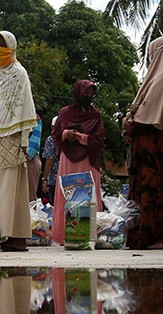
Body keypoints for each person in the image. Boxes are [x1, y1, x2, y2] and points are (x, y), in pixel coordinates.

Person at [122, 36, 163, 250]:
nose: (150, 58)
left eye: (152, 53)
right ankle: (153, 235)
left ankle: (152, 235)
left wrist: (130, 120)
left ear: (160, 53)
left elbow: (150, 114)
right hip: (154, 142)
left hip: (157, 142)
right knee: (153, 190)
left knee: (152, 190)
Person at [0, 32, 37, 252]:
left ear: (12, 48)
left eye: (2, 46)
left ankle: (13, 235)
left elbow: (25, 109)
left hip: (13, 137)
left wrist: (24, 140)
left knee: (11, 189)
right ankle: (0, 233)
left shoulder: (19, 74)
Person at [50, 80, 105, 245]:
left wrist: (81, 137)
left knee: (89, 197)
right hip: (68, 160)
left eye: (91, 94)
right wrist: (66, 134)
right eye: (85, 93)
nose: (88, 97)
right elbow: (55, 134)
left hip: (88, 159)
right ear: (77, 93)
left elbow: (99, 139)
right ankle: (63, 235)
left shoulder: (96, 115)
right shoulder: (64, 113)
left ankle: (89, 235)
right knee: (66, 196)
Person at [40, 116, 58, 204]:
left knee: (54, 206)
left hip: (54, 179)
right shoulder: (71, 139)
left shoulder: (51, 140)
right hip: (71, 179)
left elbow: (49, 160)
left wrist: (45, 179)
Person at [26, 114, 43, 201]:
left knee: (29, 197)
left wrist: (27, 155)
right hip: (18, 159)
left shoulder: (35, 118)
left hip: (29, 160)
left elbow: (35, 142)